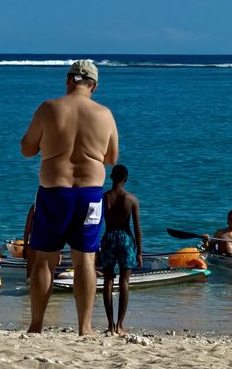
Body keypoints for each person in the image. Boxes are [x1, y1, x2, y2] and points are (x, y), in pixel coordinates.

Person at [21, 60, 119, 336]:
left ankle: (36, 325)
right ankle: (84, 328)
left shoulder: (49, 108)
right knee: (85, 260)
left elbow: (27, 149)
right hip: (90, 195)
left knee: (44, 259)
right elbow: (112, 158)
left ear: (68, 80)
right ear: (94, 86)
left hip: (54, 193)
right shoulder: (105, 114)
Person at [98, 164, 142, 336]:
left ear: (111, 177)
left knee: (108, 281)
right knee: (124, 282)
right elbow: (137, 229)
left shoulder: (103, 198)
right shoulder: (131, 199)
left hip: (108, 237)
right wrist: (139, 252)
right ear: (126, 179)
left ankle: (110, 324)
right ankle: (120, 325)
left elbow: (96, 223)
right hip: (125, 239)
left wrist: (95, 247)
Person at [22, 203, 35, 279]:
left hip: (33, 243)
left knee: (29, 277)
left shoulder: (34, 207)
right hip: (48, 245)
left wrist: (25, 245)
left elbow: (27, 228)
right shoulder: (55, 207)